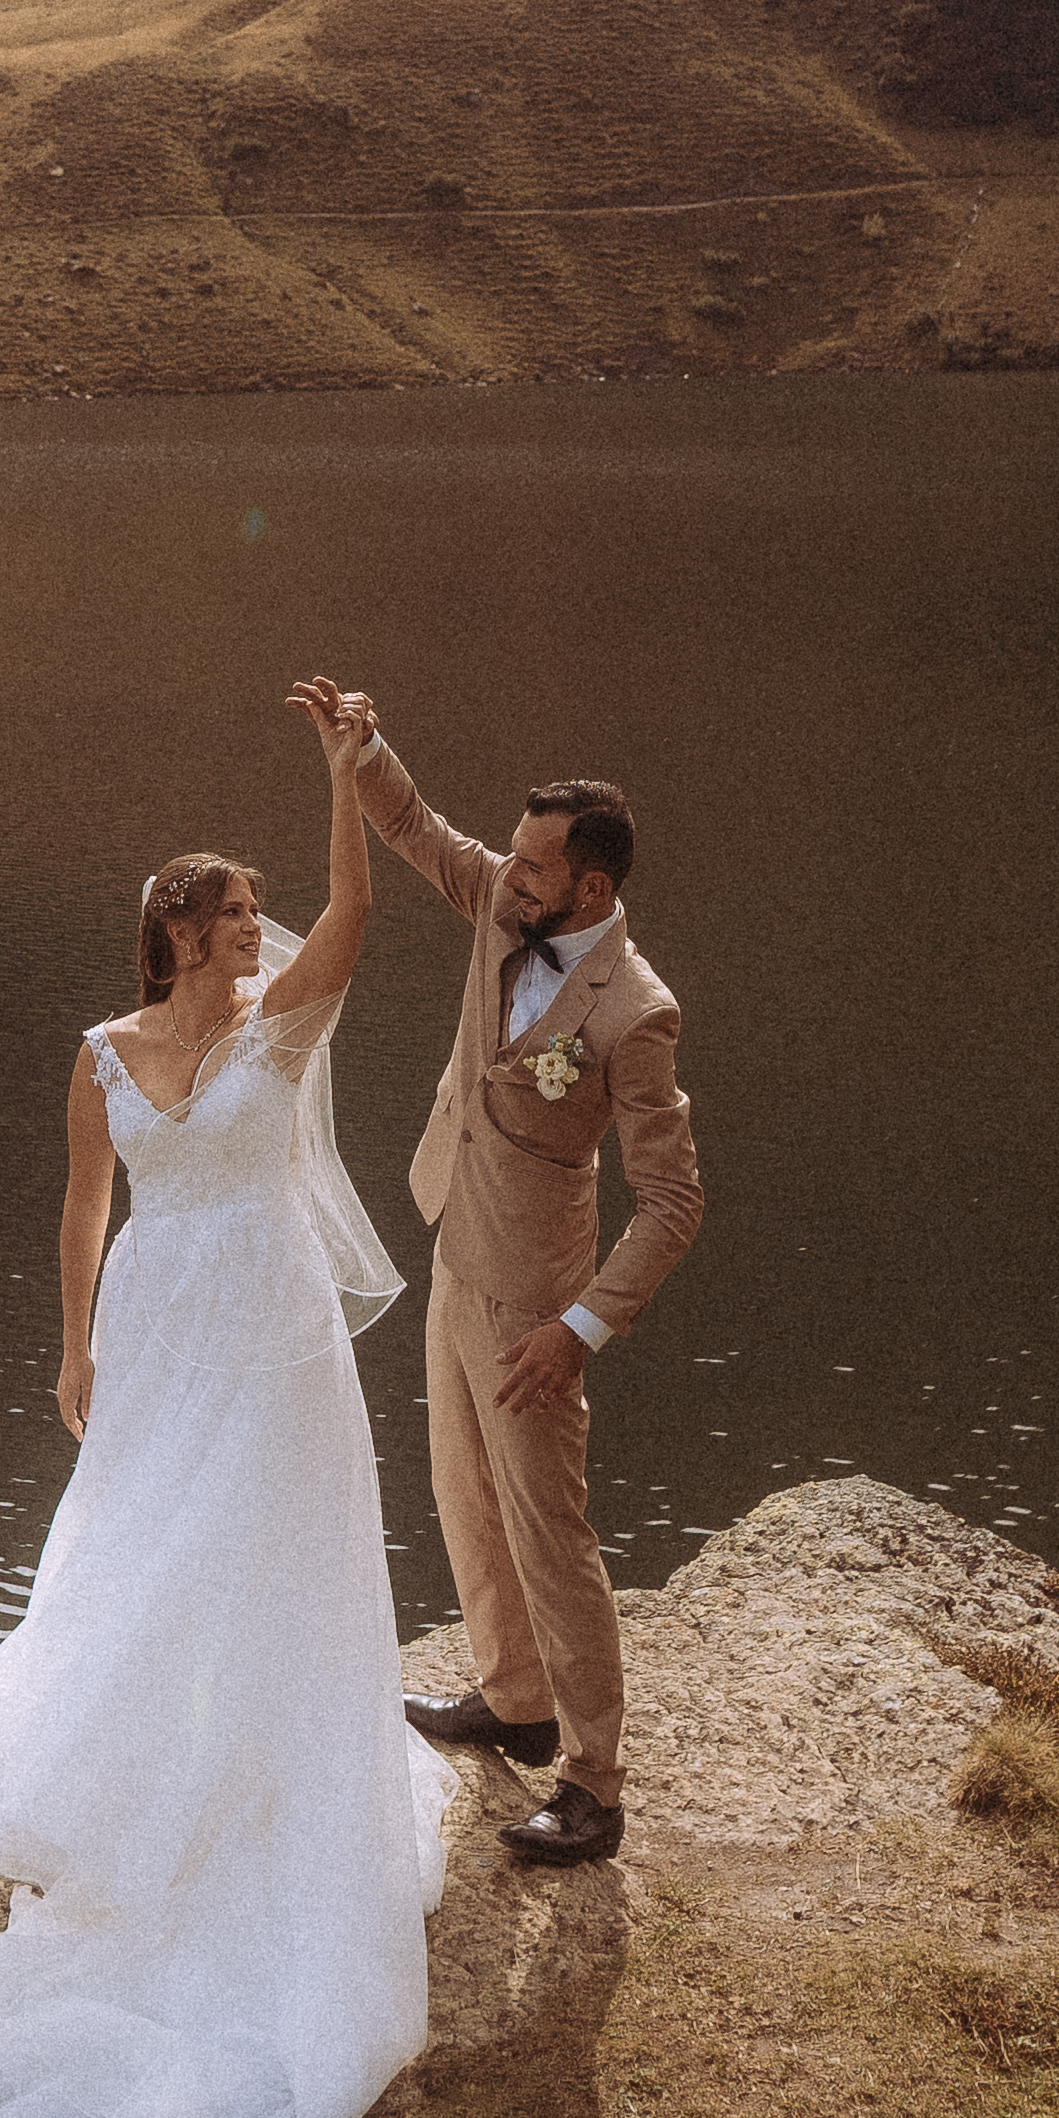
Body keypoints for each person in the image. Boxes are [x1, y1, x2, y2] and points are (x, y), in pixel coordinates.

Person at [0, 687, 450, 2118]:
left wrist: (346, 769)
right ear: (176, 933)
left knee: (273, 1548)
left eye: (256, 912)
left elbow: (361, 905)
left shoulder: (282, 1026)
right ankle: (151, 1790)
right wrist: (72, 1344)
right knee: (146, 1553)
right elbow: (82, 1206)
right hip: (162, 1323)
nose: (256, 930)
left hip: (278, 1323)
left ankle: (280, 1785)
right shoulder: (103, 1052)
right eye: (233, 915)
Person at [310, 692, 702, 1870]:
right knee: (460, 1493)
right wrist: (361, 752)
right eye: (516, 853)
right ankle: (512, 1696)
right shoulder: (497, 902)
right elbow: (420, 829)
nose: (510, 873)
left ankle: (595, 1782)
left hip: (537, 1301)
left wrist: (578, 1330)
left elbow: (675, 1204)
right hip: (454, 1246)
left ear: (592, 887)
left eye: (536, 864)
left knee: (551, 1533)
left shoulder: (635, 1014)